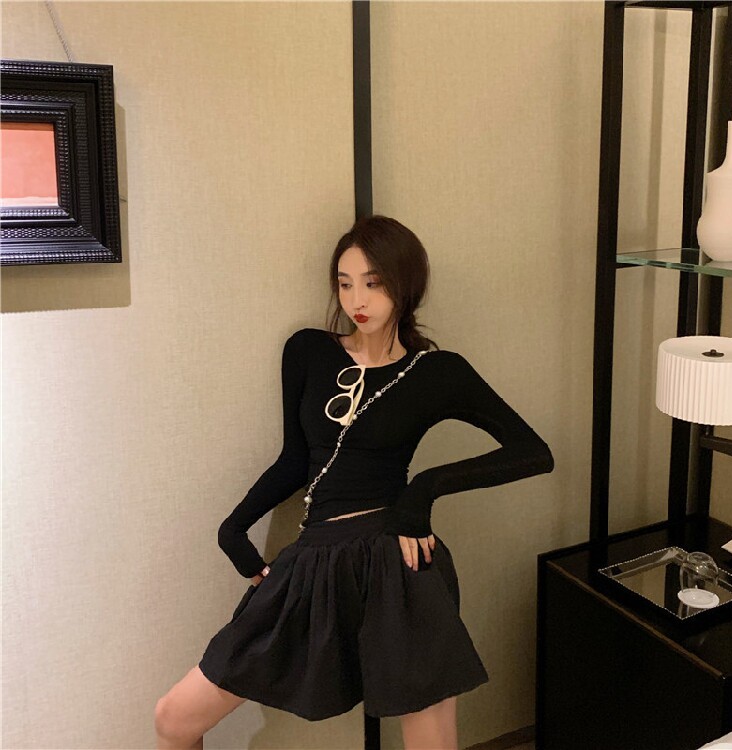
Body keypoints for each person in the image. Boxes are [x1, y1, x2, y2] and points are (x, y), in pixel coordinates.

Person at [154, 215, 554, 750]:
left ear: (405, 284)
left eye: (373, 282)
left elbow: (533, 452)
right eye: (344, 284)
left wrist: (423, 490)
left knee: (430, 744)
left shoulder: (438, 372)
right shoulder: (307, 350)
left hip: (398, 559)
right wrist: (233, 528)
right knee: (175, 718)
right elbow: (296, 459)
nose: (356, 300)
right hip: (314, 557)